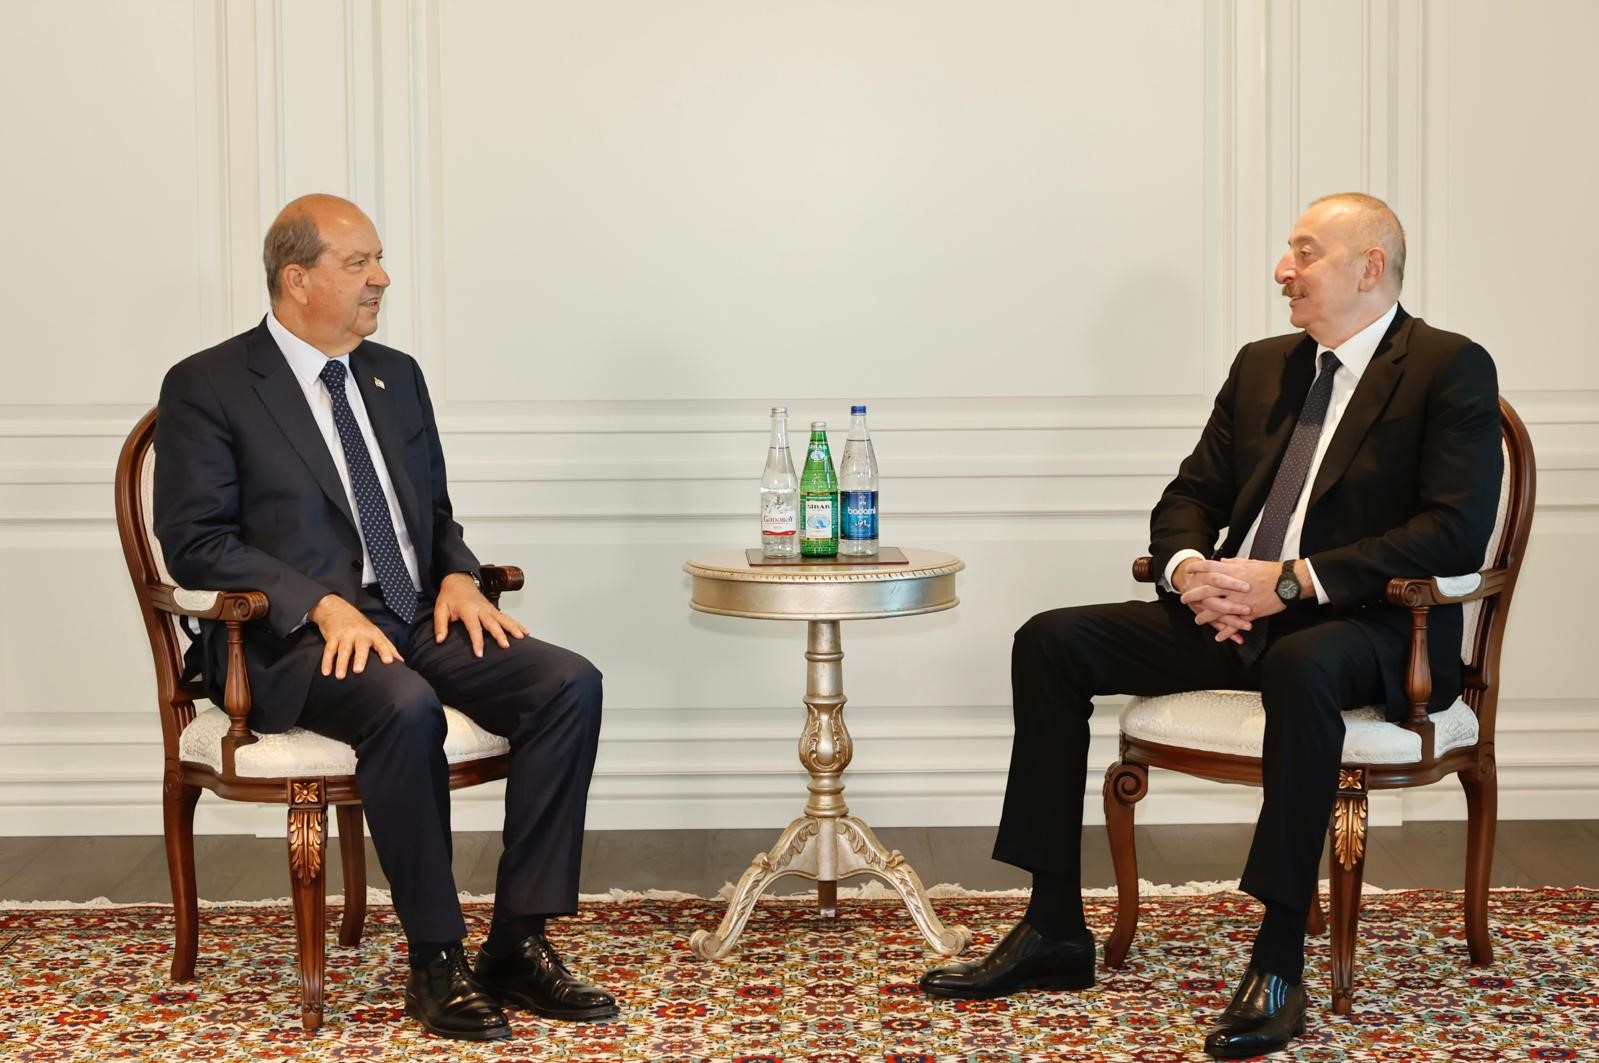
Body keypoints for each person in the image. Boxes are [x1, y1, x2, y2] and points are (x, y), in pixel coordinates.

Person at [918, 193, 1501, 1059]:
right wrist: (1194, 573)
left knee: (1301, 664)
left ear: (1369, 267)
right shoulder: (1264, 366)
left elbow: (1451, 530)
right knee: (1050, 641)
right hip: (1236, 617)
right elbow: (1189, 494)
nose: (1282, 270)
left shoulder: (1447, 367)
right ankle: (1053, 927)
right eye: (1287, 253)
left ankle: (1276, 962)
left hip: (1373, 628)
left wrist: (1290, 583)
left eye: (1304, 252)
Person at [154, 194, 615, 1042]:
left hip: (414, 616)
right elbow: (194, 542)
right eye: (359, 262)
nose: (382, 278)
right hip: (291, 639)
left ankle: (517, 941)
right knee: (404, 705)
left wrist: (460, 575)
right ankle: (435, 958)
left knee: (566, 684)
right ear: (298, 279)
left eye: (378, 260)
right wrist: (318, 603)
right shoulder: (210, 384)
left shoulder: (393, 375)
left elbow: (433, 514)